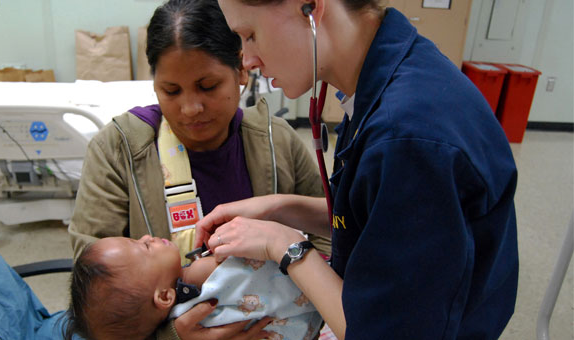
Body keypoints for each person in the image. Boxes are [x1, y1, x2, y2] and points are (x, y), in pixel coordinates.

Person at [196, 0, 519, 339]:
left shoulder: (406, 138)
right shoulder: (387, 75)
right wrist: (278, 208)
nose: (248, 59)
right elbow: (383, 217)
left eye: (250, 35)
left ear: (310, 7)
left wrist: (284, 245)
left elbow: (382, 332)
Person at [68, 0, 330, 338]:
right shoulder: (120, 150)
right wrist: (174, 335)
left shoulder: (275, 140)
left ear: (241, 71)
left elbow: (331, 231)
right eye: (171, 91)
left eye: (208, 87)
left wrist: (300, 305)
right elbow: (96, 292)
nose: (190, 108)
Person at [63, 235, 322, 340]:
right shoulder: (200, 273)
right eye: (144, 247)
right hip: (320, 292)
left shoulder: (172, 315)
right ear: (165, 296)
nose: (147, 236)